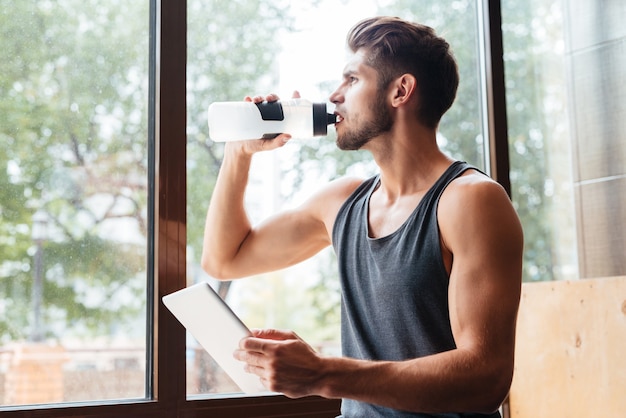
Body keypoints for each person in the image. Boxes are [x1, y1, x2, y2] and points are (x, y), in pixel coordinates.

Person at [201, 16, 523, 418]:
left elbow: (485, 381)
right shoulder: (342, 201)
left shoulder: (471, 201)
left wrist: (321, 373)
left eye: (351, 80)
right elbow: (224, 259)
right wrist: (239, 153)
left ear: (400, 91)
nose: (334, 96)